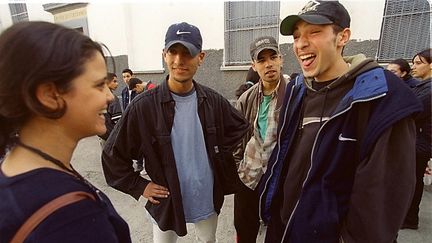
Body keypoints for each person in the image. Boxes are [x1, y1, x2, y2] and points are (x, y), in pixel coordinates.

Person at [258, 1, 423, 242]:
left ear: (342, 37)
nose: (301, 44)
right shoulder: (298, 90)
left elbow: (380, 204)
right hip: (286, 230)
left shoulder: (382, 98)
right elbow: (284, 161)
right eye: (296, 36)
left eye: (314, 32)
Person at [101, 22, 249, 243]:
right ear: (164, 54)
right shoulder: (143, 106)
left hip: (206, 197)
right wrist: (139, 186)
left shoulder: (213, 101)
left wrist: (222, 163)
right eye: (173, 51)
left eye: (187, 53)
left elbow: (240, 130)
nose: (179, 60)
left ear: (200, 57)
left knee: (208, 240)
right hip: (166, 200)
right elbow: (112, 154)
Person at [0, 21, 131, 242]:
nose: (109, 96)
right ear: (50, 95)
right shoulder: (69, 218)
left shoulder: (15, 171)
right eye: (99, 85)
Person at [233, 36, 287, 243]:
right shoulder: (246, 98)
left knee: (278, 230)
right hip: (249, 175)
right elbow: (236, 139)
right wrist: (238, 167)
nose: (269, 64)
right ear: (254, 66)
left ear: (281, 59)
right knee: (245, 228)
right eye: (262, 60)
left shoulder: (294, 93)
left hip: (279, 178)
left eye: (273, 57)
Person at [402, 48, 431, 230]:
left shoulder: (429, 90)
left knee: (412, 181)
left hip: (419, 142)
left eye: (419, 63)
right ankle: (408, 217)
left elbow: (412, 111)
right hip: (417, 140)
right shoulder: (422, 85)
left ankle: (410, 218)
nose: (414, 66)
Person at [98, 72, 123, 147]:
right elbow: (117, 120)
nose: (117, 84)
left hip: (102, 134)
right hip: (111, 135)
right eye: (114, 81)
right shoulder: (112, 98)